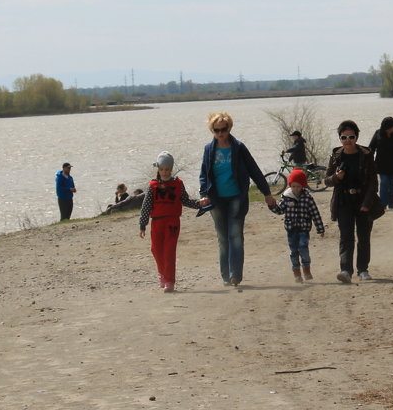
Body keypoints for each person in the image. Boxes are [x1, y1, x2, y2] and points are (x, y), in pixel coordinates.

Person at [197, 111, 278, 286]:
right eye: (216, 130)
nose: (220, 133)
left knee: (235, 236)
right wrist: (204, 194)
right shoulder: (208, 150)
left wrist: (267, 193)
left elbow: (254, 170)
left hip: (236, 198)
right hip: (216, 199)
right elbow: (204, 174)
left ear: (229, 128)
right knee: (222, 237)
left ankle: (235, 275)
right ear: (212, 130)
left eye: (223, 129)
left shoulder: (239, 148)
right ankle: (225, 275)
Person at [325, 120, 379, 282]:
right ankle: (346, 270)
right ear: (339, 138)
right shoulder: (336, 156)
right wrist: (336, 177)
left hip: (363, 200)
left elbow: (373, 182)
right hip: (343, 201)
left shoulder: (366, 155)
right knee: (346, 236)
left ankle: (363, 270)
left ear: (356, 137)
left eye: (351, 136)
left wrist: (367, 203)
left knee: (363, 236)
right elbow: (327, 180)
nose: (347, 140)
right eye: (344, 137)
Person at [138, 152, 200, 293]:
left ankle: (169, 280)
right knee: (156, 250)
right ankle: (163, 274)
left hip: (172, 222)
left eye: (167, 169)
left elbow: (185, 200)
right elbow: (146, 207)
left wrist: (200, 204)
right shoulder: (152, 186)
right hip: (157, 222)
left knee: (169, 251)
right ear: (158, 170)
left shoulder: (178, 184)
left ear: (171, 169)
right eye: (162, 169)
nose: (165, 172)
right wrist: (142, 225)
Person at [269, 168, 326, 282]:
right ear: (290, 185)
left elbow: (315, 213)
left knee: (303, 247)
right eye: (293, 186)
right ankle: (296, 273)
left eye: (298, 186)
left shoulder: (308, 198)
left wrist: (320, 229)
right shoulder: (286, 198)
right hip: (291, 229)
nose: (296, 189)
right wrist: (272, 205)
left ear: (303, 186)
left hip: (304, 229)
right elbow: (280, 211)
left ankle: (306, 268)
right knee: (294, 251)